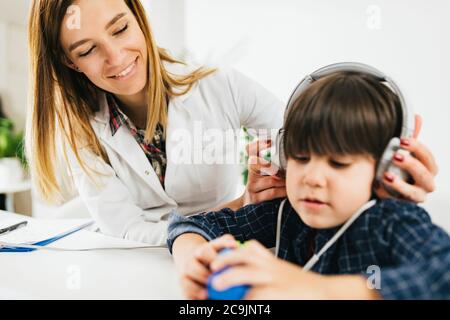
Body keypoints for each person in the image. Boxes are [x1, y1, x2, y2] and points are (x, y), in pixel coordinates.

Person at [27, 0, 437, 245]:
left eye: (120, 28)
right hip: (144, 262)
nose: (116, 57)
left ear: (138, 16)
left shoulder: (216, 83)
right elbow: (127, 232)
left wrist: (378, 178)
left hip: (233, 242)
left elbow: (301, 136)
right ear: (69, 61)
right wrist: (235, 206)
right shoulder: (81, 131)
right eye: (88, 49)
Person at [167, 70, 450, 299]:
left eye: (338, 163)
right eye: (300, 158)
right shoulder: (286, 214)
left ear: (386, 168)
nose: (312, 178)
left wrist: (314, 288)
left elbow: (442, 273)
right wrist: (195, 259)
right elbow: (188, 224)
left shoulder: (391, 221)